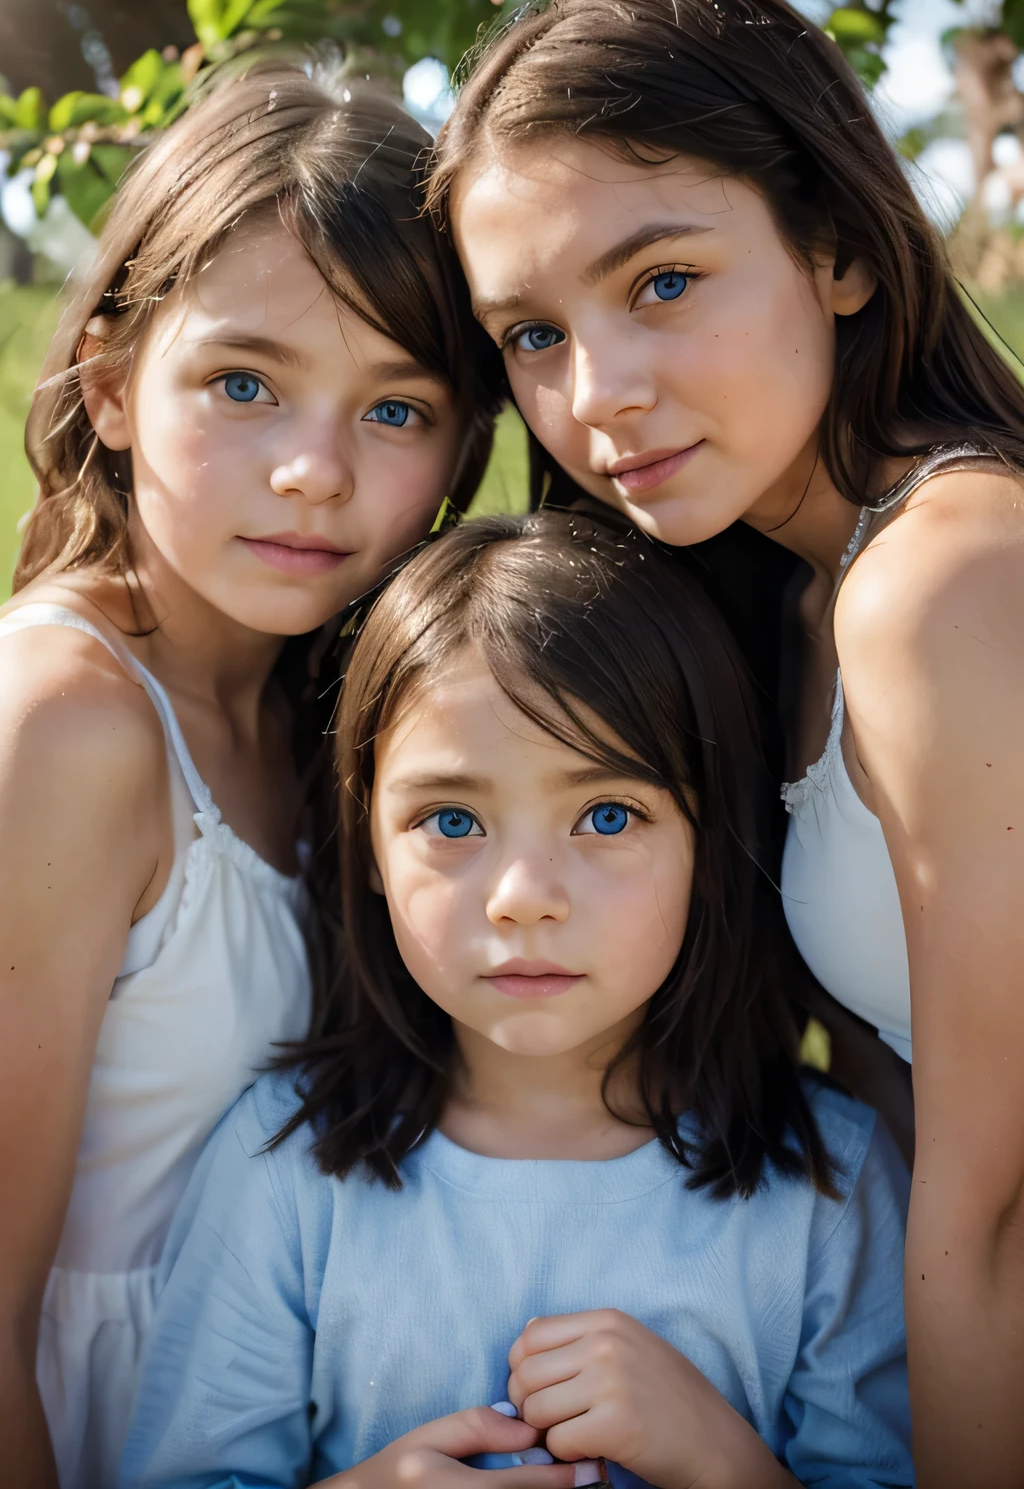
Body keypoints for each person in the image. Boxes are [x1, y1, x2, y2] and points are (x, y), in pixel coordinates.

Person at [430, 0, 1024, 1483]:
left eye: (662, 283)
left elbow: (994, 1209)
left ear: (831, 245)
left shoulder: (947, 583)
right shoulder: (804, 599)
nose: (599, 394)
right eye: (533, 335)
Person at [120, 510, 912, 1489]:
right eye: (451, 819)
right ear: (364, 841)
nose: (523, 897)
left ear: (709, 842)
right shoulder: (284, 1169)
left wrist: (723, 1462)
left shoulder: (831, 1186)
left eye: (606, 815)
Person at [0, 55, 501, 1489]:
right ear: (106, 386)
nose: (315, 472)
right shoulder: (66, 724)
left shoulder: (335, 707)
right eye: (243, 384)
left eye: (395, 410)